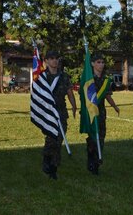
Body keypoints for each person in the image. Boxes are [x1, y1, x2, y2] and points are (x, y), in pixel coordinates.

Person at [42, 51, 77, 179]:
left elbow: (69, 92)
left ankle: (53, 165)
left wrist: (74, 106)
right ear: (46, 61)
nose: (55, 61)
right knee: (51, 139)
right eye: (52, 58)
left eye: (57, 58)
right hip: (48, 112)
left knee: (59, 139)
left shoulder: (64, 76)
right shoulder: (42, 77)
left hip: (61, 112)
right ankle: (49, 163)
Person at [86, 54, 120, 175]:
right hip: (90, 112)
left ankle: (96, 163)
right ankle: (91, 160)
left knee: (101, 137)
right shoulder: (88, 79)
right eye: (98, 62)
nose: (101, 64)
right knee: (92, 137)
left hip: (101, 113)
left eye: (102, 62)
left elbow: (107, 95)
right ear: (93, 64)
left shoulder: (105, 79)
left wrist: (115, 106)